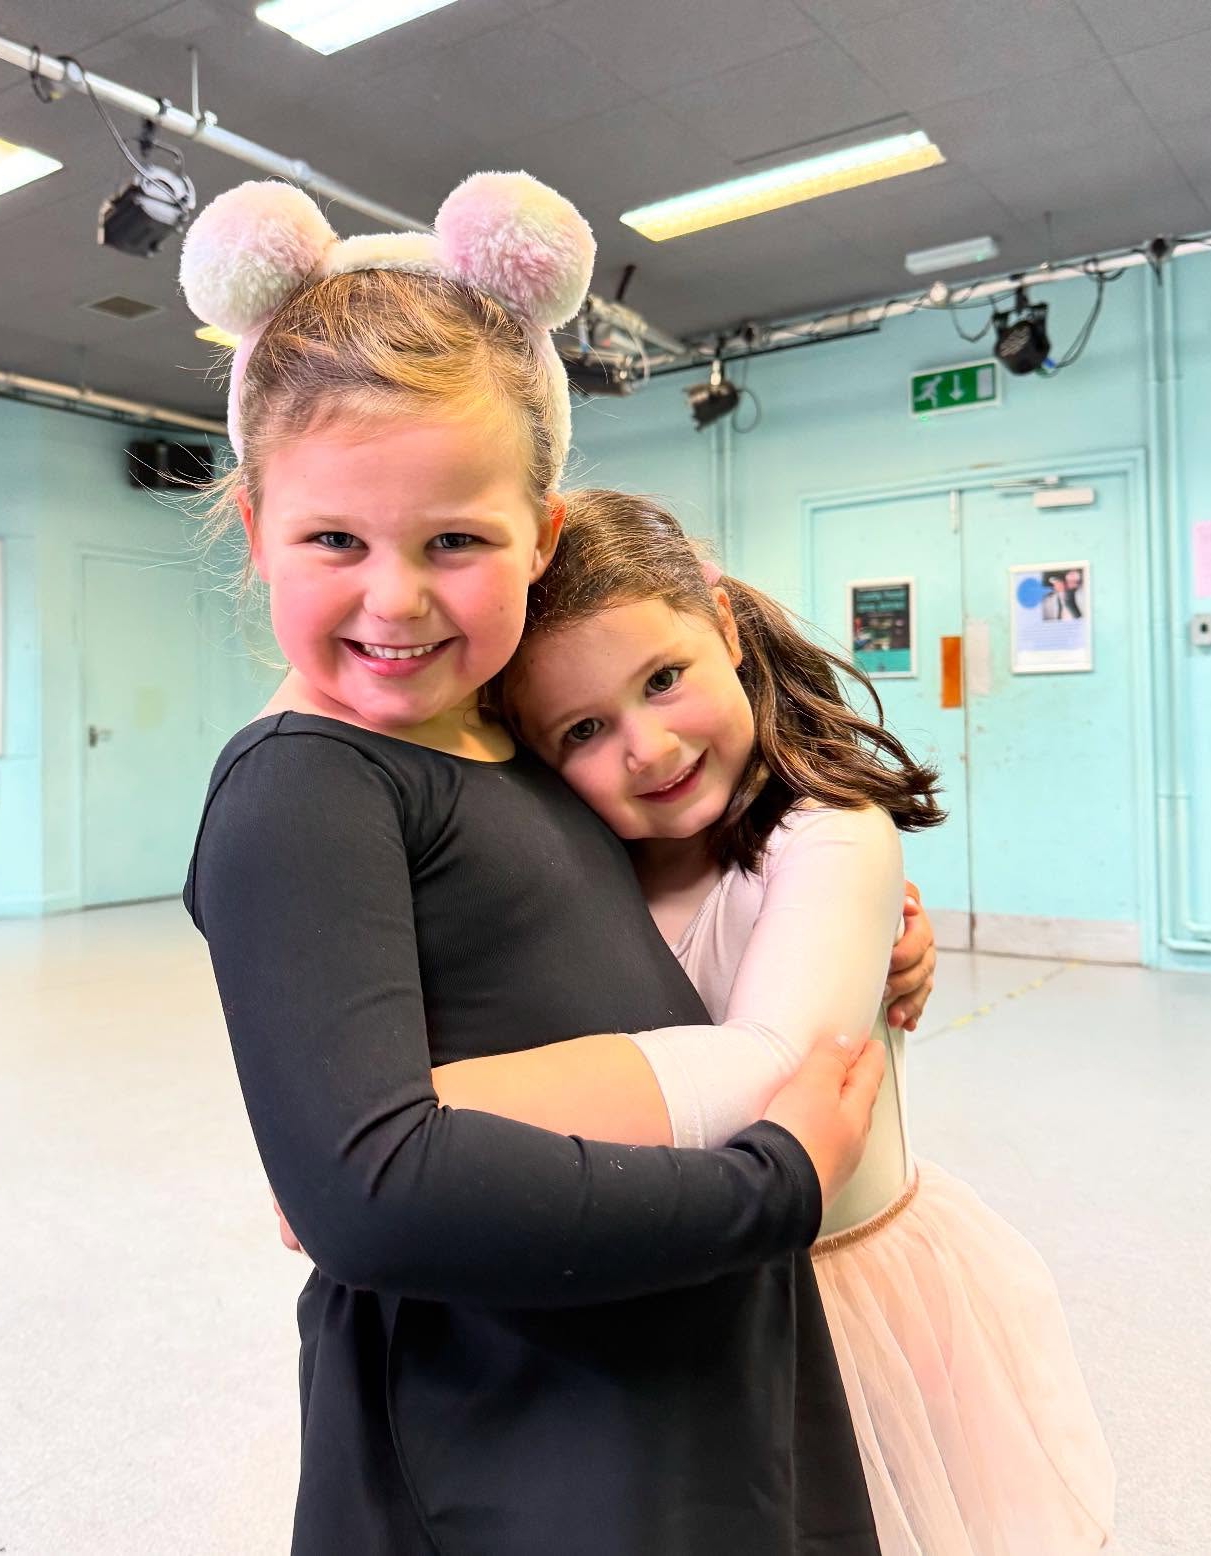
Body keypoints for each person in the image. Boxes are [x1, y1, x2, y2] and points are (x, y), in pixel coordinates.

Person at [179, 172, 900, 1554]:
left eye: (457, 541)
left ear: (544, 535)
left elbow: (610, 942)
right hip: (514, 1432)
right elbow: (373, 1195)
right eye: (334, 539)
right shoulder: (303, 789)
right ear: (254, 521)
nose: (395, 598)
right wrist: (774, 1184)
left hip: (675, 1375)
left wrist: (852, 926)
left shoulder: (508, 736)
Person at [412, 490, 1115, 1554]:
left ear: (726, 629)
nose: (646, 747)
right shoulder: (578, 874)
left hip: (843, 1303)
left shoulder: (829, 834)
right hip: (674, 1298)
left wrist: (403, 1113)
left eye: (664, 678)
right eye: (585, 730)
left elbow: (773, 1066)